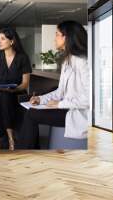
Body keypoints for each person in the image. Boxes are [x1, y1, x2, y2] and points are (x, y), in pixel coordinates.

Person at [18, 20, 89, 149]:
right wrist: (41, 99)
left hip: (77, 113)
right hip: (67, 107)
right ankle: (30, 151)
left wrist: (59, 104)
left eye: (57, 34)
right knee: (26, 104)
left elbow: (89, 99)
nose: (54, 39)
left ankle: (26, 154)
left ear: (66, 37)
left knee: (31, 115)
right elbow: (59, 92)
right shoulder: (67, 61)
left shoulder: (83, 61)